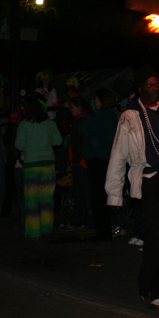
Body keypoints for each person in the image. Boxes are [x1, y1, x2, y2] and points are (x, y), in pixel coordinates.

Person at [105, 66, 159, 310]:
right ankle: (148, 288)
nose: (155, 89)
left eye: (157, 85)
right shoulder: (130, 116)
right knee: (156, 236)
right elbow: (118, 156)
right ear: (140, 89)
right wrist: (114, 194)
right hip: (148, 180)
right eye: (150, 85)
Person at [14, 94, 62, 238]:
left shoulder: (24, 125)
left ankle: (33, 231)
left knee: (32, 199)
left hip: (31, 164)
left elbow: (19, 145)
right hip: (48, 164)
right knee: (47, 199)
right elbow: (58, 141)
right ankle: (47, 228)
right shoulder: (50, 123)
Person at [78, 88, 120, 241]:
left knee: (98, 197)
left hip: (98, 160)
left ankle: (103, 233)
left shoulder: (102, 116)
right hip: (107, 160)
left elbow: (82, 130)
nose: (94, 103)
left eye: (96, 100)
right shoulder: (112, 116)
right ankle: (105, 231)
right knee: (103, 196)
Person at [67, 96, 94, 229]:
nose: (70, 109)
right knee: (81, 193)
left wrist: (79, 159)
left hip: (82, 162)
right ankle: (79, 220)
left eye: (72, 107)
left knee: (84, 193)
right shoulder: (82, 119)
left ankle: (88, 221)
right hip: (79, 161)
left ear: (79, 108)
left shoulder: (82, 120)